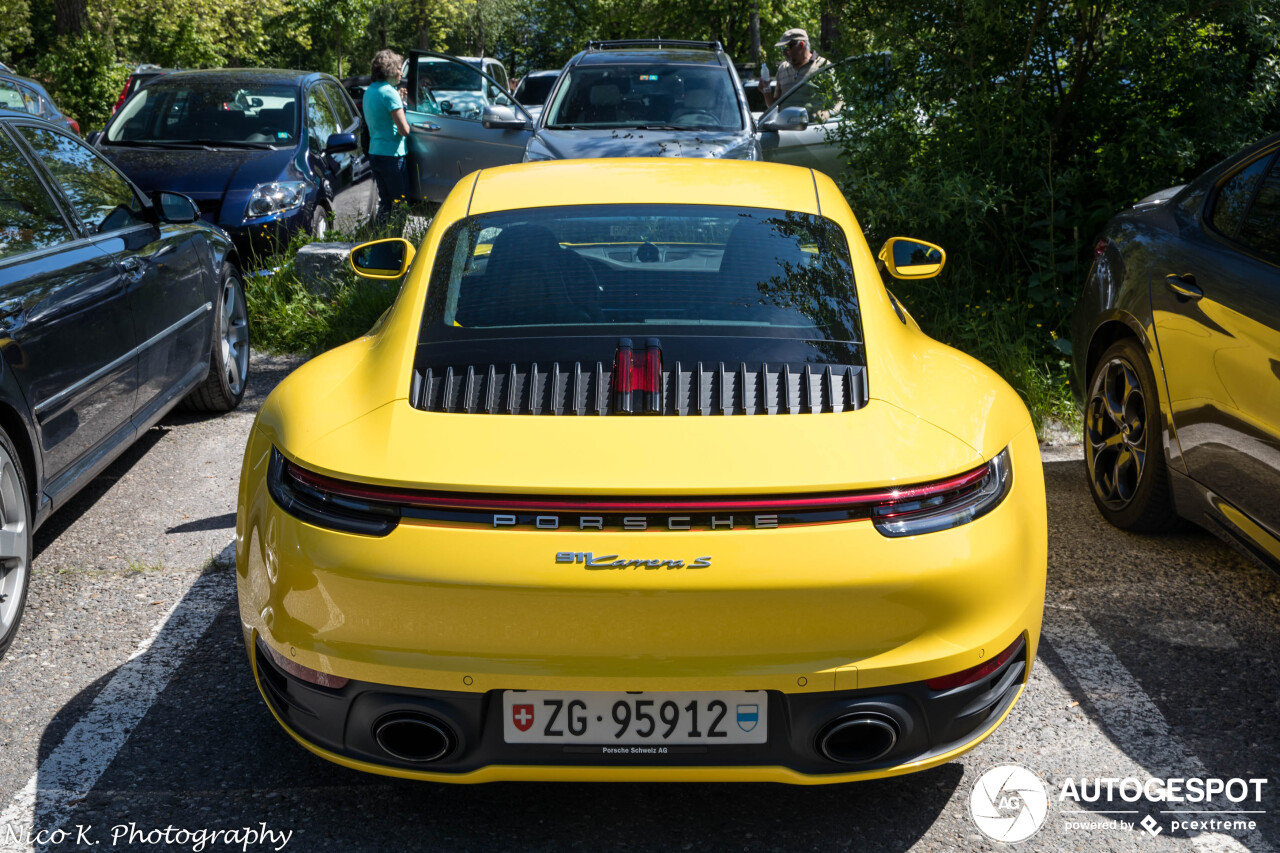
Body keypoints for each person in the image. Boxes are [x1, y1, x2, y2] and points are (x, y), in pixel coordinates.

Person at [363, 49, 411, 223]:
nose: (401, 72)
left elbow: (381, 117)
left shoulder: (371, 90)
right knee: (400, 206)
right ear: (389, 70)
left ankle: (381, 242)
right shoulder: (390, 93)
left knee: (385, 204)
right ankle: (396, 246)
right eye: (399, 68)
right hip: (392, 156)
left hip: (376, 153)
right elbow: (404, 130)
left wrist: (398, 101)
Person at [760, 27, 829, 109]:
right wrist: (766, 92)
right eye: (782, 48)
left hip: (814, 122)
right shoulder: (782, 68)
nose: (783, 53)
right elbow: (774, 106)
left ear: (801, 45)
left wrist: (826, 113)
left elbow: (840, 100)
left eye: (786, 47)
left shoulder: (823, 66)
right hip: (785, 121)